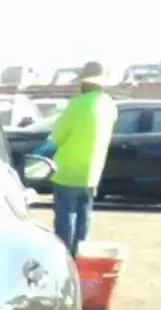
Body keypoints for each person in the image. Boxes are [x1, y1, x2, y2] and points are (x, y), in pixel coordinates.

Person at [46, 63, 118, 254]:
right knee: (83, 219)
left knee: (65, 218)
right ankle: (80, 257)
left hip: (68, 171)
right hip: (92, 172)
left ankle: (65, 258)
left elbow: (58, 136)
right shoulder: (109, 105)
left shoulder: (77, 104)